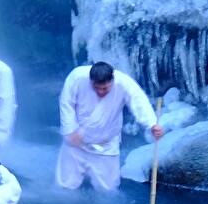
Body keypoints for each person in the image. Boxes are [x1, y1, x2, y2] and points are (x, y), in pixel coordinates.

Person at [56, 60, 163, 191]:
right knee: (65, 187)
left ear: (112, 80)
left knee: (108, 191)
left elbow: (139, 102)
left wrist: (152, 124)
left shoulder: (124, 83)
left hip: (106, 145)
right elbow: (66, 102)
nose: (101, 91)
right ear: (91, 81)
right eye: (97, 88)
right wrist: (70, 130)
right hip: (77, 142)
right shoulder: (77, 77)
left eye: (105, 88)